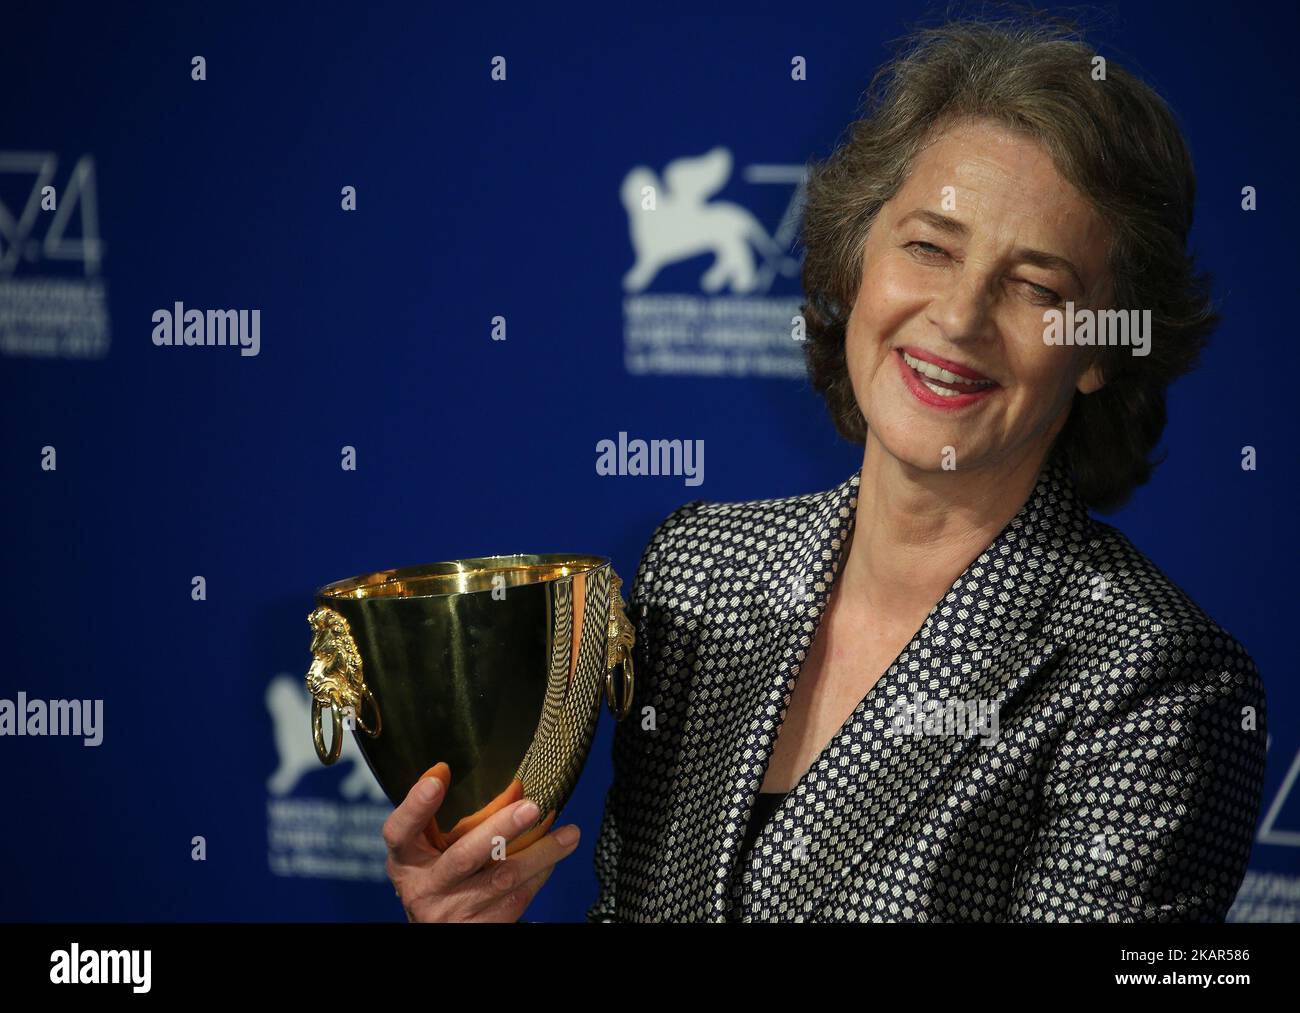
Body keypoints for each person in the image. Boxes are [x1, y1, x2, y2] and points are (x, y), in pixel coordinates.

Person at [384, 14, 1268, 923]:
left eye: (1037, 287)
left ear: (1099, 351)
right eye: (930, 246)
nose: (959, 318)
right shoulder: (696, 575)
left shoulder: (1156, 679)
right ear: (856, 257)